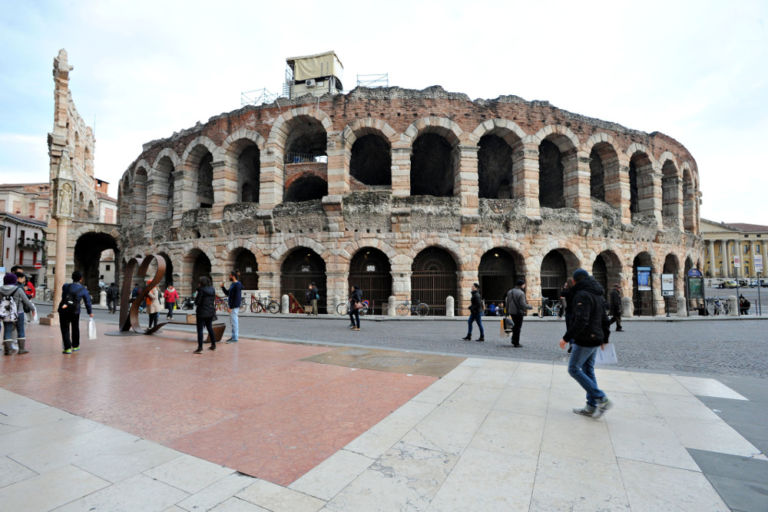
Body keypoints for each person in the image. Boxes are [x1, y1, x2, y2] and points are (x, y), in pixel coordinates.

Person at [559, 268, 613, 419]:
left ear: (576, 281)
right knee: (588, 370)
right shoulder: (598, 294)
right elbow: (605, 319)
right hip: (596, 337)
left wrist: (566, 338)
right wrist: (604, 338)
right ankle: (591, 406)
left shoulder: (582, 294)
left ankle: (601, 398)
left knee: (573, 369)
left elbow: (581, 320)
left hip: (585, 338)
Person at [57, 270, 93, 355]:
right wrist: (90, 312)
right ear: (81, 279)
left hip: (64, 309)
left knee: (65, 329)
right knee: (75, 327)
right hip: (75, 311)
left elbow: (63, 295)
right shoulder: (83, 289)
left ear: (72, 278)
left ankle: (67, 348)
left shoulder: (65, 286)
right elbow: (88, 301)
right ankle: (75, 346)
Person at [1, 273, 36, 355]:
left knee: (7, 330)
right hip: (19, 312)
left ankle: (8, 350)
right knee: (21, 330)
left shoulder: (0, 289)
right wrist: (32, 309)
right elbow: (26, 300)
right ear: (14, 280)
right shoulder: (18, 289)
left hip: (6, 313)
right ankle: (21, 349)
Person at [505, 279, 532, 347]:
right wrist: (530, 307)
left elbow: (507, 302)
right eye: (524, 284)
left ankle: (513, 339)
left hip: (511, 311)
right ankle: (516, 342)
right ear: (521, 285)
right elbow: (523, 304)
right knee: (518, 327)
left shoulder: (509, 291)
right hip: (518, 312)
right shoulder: (521, 293)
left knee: (514, 326)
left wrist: (507, 311)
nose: (524, 286)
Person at [194, 276, 217, 354]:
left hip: (201, 312)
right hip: (210, 311)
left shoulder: (201, 290)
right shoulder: (212, 289)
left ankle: (200, 348)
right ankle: (213, 344)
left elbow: (197, 302)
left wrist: (197, 293)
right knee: (210, 328)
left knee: (200, 330)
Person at [221, 270, 243, 343]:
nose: (229, 277)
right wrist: (223, 287)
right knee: (232, 322)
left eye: (230, 275)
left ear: (233, 276)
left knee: (234, 322)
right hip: (232, 306)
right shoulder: (233, 284)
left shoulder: (237, 285)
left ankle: (235, 338)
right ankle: (233, 337)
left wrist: (231, 307)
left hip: (234, 306)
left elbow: (237, 298)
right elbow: (228, 294)